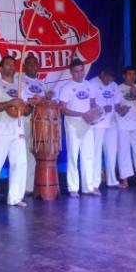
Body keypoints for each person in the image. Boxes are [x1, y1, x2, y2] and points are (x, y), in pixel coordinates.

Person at [0, 56, 34, 207]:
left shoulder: (21, 87)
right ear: (1, 68)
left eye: (13, 64)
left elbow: (26, 111)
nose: (12, 66)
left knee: (20, 163)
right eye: (8, 64)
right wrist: (11, 102)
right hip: (1, 131)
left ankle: (15, 197)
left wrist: (30, 105)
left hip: (18, 130)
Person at [59, 59, 100, 197]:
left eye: (81, 70)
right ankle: (73, 188)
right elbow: (63, 109)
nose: (79, 74)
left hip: (88, 125)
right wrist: (82, 114)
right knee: (72, 156)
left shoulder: (89, 85)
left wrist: (95, 115)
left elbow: (93, 104)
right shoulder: (66, 87)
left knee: (88, 156)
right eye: (76, 71)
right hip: (73, 125)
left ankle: (88, 187)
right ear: (71, 72)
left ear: (84, 70)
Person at [21, 55, 53, 196]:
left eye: (35, 64)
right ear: (24, 66)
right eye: (30, 64)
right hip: (25, 121)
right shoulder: (19, 81)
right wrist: (34, 100)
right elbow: (21, 99)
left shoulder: (41, 84)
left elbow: (44, 101)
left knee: (33, 155)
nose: (33, 66)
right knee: (23, 154)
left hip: (40, 124)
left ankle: (29, 187)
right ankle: (20, 188)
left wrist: (47, 97)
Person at [89, 67, 121, 188]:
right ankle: (95, 182)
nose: (109, 80)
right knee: (96, 152)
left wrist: (121, 109)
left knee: (112, 152)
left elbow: (117, 104)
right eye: (107, 77)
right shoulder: (92, 83)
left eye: (111, 78)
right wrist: (101, 109)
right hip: (98, 123)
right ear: (102, 73)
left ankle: (112, 180)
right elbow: (90, 103)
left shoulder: (114, 85)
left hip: (112, 123)